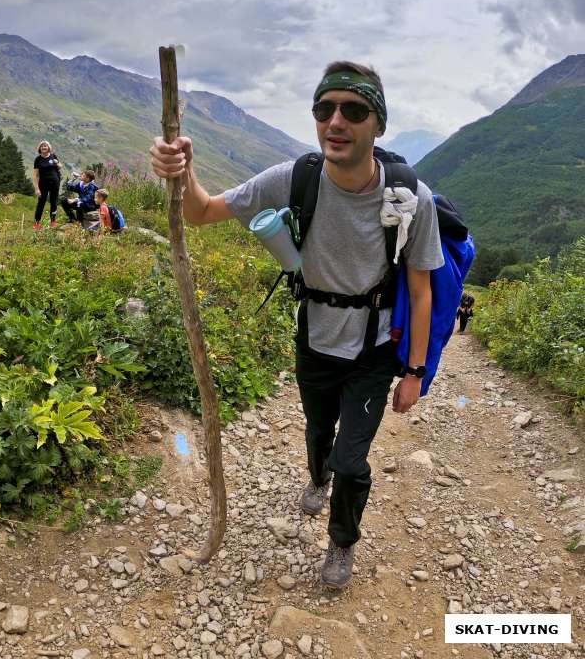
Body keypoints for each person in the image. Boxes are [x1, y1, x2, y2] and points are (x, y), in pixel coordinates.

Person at [149, 61, 444, 589]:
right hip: (314, 341)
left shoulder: (411, 200)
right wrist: (182, 168)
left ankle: (342, 541)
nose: (336, 121)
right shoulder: (296, 178)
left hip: (375, 352)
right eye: (324, 109)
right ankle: (316, 475)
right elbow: (202, 212)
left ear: (378, 124)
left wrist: (415, 372)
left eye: (353, 111)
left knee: (352, 462)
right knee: (317, 433)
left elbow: (421, 292)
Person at [32, 140, 62, 229]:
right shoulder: (38, 159)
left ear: (49, 147)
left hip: (55, 183)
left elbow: (60, 167)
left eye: (45, 146)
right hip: (43, 184)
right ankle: (37, 223)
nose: (43, 147)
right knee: (41, 203)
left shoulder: (53, 156)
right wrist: (36, 188)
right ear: (39, 148)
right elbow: (35, 175)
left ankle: (53, 221)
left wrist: (57, 163)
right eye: (42, 146)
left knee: (54, 202)